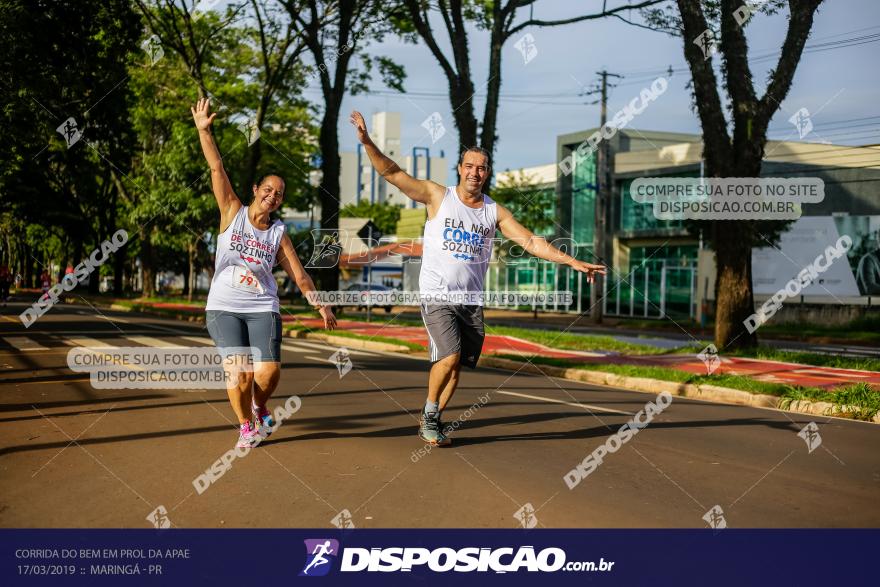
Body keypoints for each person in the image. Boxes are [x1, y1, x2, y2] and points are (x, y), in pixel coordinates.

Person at [351, 110, 606, 446]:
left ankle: (434, 418)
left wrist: (572, 261)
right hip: (437, 295)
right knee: (450, 355)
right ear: (460, 169)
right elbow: (394, 173)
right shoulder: (437, 196)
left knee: (457, 368)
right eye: (469, 166)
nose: (474, 172)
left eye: (481, 167)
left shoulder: (493, 211)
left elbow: (530, 241)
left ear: (487, 173)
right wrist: (368, 143)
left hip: (470, 300)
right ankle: (429, 414)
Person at [192, 98, 337, 448]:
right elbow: (216, 169)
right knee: (239, 372)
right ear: (256, 190)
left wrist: (321, 306)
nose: (272, 196)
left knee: (268, 372)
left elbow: (301, 276)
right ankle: (246, 426)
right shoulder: (232, 211)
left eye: (279, 194)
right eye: (267, 189)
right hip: (223, 305)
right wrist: (204, 131)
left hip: (261, 307)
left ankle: (259, 404)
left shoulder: (278, 234)